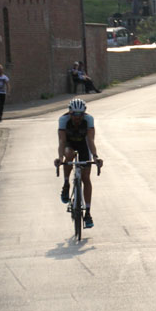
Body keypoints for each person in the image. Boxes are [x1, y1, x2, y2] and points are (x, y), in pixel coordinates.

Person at [54, 98, 102, 229]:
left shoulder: (88, 120)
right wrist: (59, 157)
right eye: (74, 114)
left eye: (80, 114)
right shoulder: (63, 120)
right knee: (69, 154)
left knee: (86, 178)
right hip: (69, 143)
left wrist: (96, 157)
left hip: (83, 145)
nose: (77, 117)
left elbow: (91, 140)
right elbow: (62, 142)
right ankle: (66, 184)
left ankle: (88, 213)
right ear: (69, 113)